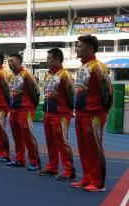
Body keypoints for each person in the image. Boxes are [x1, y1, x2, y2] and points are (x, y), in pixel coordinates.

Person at [72, 35, 113, 192]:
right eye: (77, 45)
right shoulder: (83, 67)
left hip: (94, 113)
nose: (77, 48)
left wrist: (103, 110)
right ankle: (87, 177)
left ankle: (98, 183)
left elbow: (108, 91)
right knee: (83, 147)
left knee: (94, 148)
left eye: (80, 46)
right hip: (81, 113)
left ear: (90, 48)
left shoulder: (98, 66)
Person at [39, 48, 76, 180]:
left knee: (62, 142)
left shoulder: (65, 75)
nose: (47, 61)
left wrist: (68, 110)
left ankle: (69, 170)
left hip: (61, 114)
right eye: (47, 58)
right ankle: (52, 167)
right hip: (48, 113)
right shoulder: (48, 75)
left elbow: (72, 94)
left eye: (50, 58)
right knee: (50, 142)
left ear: (58, 59)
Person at [7, 53, 41, 171]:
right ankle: (19, 159)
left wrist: (31, 108)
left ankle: (35, 162)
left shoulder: (27, 74)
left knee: (28, 136)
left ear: (19, 61)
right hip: (14, 110)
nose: (10, 64)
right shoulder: (11, 77)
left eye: (12, 61)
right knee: (16, 137)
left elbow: (36, 92)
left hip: (25, 110)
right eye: (8, 62)